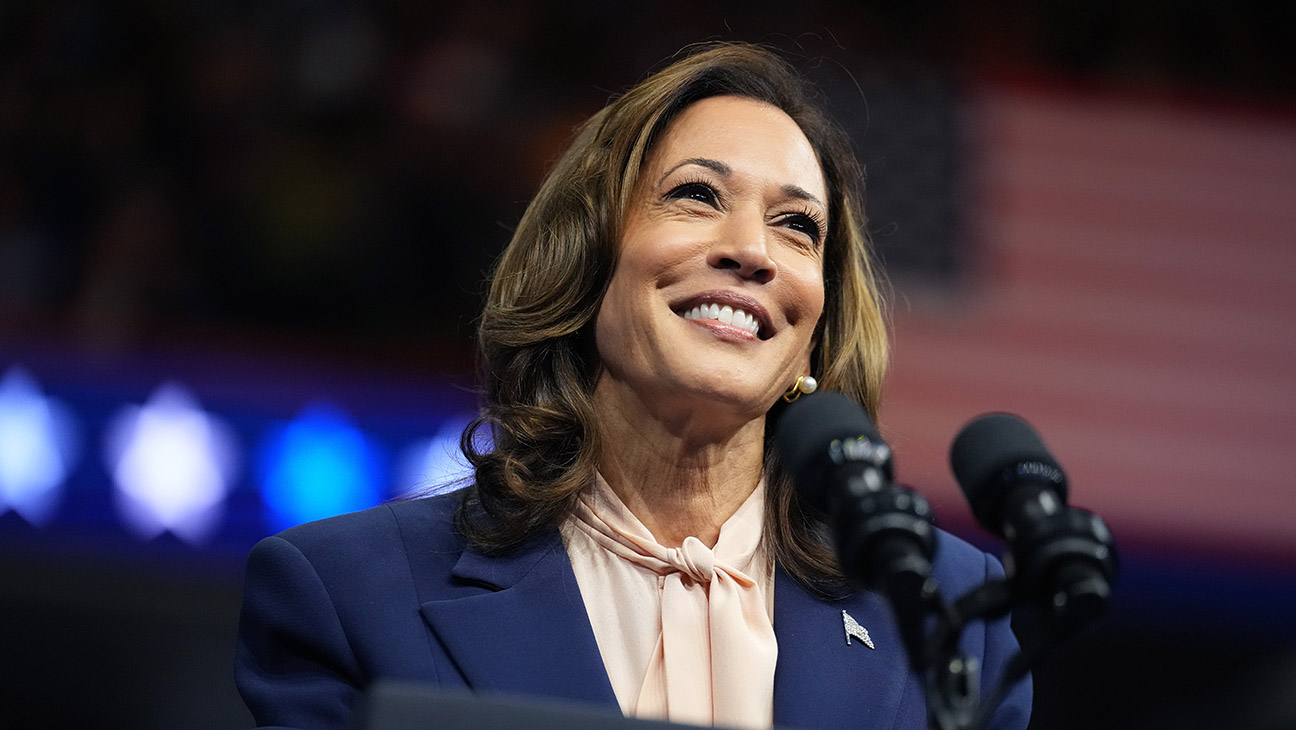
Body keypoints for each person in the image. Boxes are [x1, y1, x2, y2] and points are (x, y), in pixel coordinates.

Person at [235, 42, 1032, 730]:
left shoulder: (949, 616)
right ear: (587, 259)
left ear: (815, 329)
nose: (752, 249)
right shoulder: (350, 597)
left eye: (797, 225)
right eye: (696, 195)